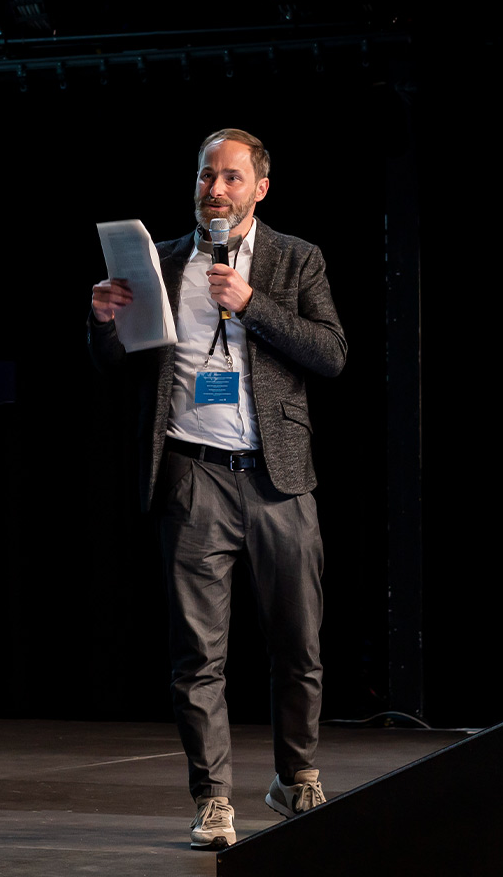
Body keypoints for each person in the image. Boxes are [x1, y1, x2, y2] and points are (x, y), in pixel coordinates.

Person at [87, 128, 346, 851]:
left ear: (260, 188)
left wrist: (252, 302)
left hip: (278, 480)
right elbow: (118, 365)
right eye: (207, 176)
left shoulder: (297, 259)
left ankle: (296, 778)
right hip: (193, 475)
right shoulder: (164, 261)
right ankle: (213, 800)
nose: (216, 190)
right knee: (197, 656)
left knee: (298, 645)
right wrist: (104, 324)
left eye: (232, 177)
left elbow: (331, 354)